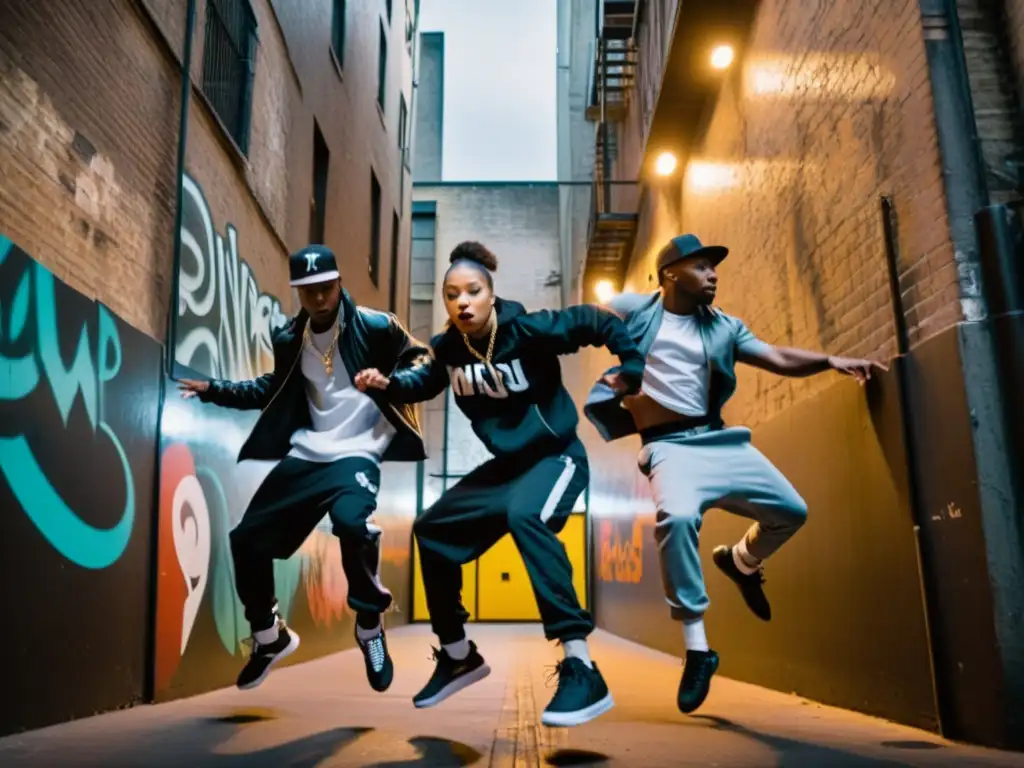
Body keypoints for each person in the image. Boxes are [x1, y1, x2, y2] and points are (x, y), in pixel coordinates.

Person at [584, 233, 887, 715]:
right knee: (677, 519)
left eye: (714, 268)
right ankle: (698, 649)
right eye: (702, 267)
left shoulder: (725, 328)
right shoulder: (633, 308)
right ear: (670, 273)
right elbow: (583, 317)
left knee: (791, 511)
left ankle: (742, 562)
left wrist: (829, 360)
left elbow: (775, 356)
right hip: (669, 449)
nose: (713, 275)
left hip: (718, 440)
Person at [354, 241, 644, 727]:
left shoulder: (528, 330)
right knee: (433, 531)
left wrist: (631, 366)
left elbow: (599, 322)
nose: (462, 302)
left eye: (473, 291)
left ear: (491, 294)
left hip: (557, 457)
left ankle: (581, 665)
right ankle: (457, 653)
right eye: (452, 295)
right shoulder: (447, 349)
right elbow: (422, 383)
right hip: (507, 468)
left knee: (526, 515)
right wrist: (388, 383)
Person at [177, 244, 429, 694]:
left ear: (338, 284)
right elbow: (272, 388)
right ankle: (269, 636)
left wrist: (392, 384)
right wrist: (215, 389)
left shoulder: (375, 326)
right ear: (299, 292)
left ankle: (369, 625)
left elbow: (419, 360)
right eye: (308, 290)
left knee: (352, 523)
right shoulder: (290, 338)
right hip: (308, 453)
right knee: (246, 540)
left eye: (326, 287)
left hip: (358, 451)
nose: (318, 298)